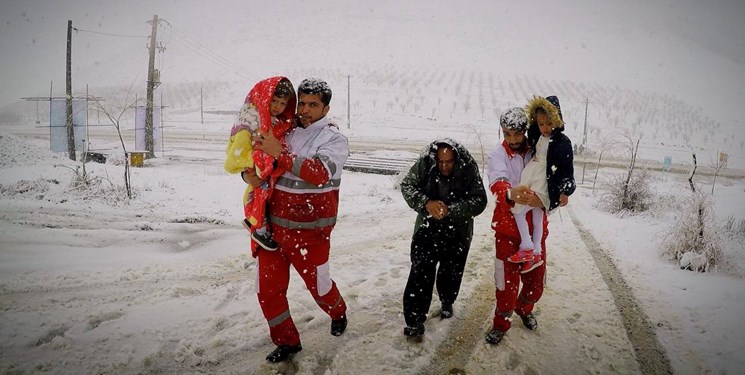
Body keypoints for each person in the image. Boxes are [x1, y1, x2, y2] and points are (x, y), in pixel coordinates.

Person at [245, 78, 349, 363]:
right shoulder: (283, 130)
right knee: (267, 292)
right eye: (301, 103)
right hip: (272, 232)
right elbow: (254, 159)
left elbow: (318, 172)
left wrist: (278, 152)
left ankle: (338, 312)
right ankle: (287, 341)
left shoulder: (334, 139)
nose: (305, 109)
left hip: (311, 234)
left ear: (326, 108)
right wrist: (248, 174)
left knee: (321, 289)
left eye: (313, 104)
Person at [400, 139, 487, 338]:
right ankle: (414, 320)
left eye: (449, 162)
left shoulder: (468, 166)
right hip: (427, 227)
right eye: (441, 162)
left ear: (457, 160)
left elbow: (479, 200)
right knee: (420, 271)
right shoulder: (425, 162)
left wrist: (452, 210)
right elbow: (408, 185)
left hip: (458, 230)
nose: (445, 166)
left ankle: (447, 300)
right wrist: (426, 203)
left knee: (451, 271)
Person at [484, 107, 546, 345]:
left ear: (524, 131)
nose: (512, 139)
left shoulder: (538, 151)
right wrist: (510, 192)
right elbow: (498, 182)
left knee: (536, 280)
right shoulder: (497, 155)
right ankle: (501, 323)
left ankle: (525, 308)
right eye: (507, 134)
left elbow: (551, 177)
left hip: (536, 231)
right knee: (505, 284)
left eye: (517, 134)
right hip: (507, 230)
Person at [224, 76, 296, 251]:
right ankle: (258, 226)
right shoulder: (251, 118)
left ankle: (256, 222)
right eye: (274, 101)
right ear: (265, 98)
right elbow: (239, 147)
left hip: (272, 181)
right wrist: (248, 168)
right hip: (258, 167)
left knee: (261, 194)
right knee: (260, 193)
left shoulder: (279, 121)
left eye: (283, 103)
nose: (278, 107)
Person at [506, 95, 576, 273]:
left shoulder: (563, 142)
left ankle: (527, 246)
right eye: (541, 123)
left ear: (557, 120)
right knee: (536, 215)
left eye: (549, 123)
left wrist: (565, 191)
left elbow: (566, 168)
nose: (545, 127)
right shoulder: (536, 134)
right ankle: (536, 251)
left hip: (545, 178)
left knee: (520, 209)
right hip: (533, 172)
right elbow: (529, 130)